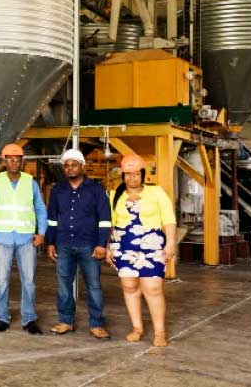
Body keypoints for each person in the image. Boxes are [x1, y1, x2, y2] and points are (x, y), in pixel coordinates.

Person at [107, 153, 177, 347]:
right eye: (128, 174)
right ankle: (137, 328)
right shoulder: (114, 195)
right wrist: (107, 248)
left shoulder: (157, 192)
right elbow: (109, 224)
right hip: (123, 245)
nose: (132, 178)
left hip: (152, 244)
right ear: (122, 175)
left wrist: (170, 244)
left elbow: (169, 220)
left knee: (153, 288)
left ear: (143, 174)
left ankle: (160, 332)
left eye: (136, 173)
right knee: (129, 286)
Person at [46, 148, 112, 340]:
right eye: (66, 165)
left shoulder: (96, 190)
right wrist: (51, 242)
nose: (70, 168)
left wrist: (101, 245)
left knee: (94, 286)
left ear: (82, 166)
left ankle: (97, 324)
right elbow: (52, 220)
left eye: (74, 164)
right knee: (63, 285)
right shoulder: (58, 190)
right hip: (64, 244)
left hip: (89, 246)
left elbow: (105, 220)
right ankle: (66, 321)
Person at [0, 143, 47, 335]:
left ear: (22, 161)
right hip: (2, 238)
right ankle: (1, 317)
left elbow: (40, 209)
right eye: (10, 158)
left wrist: (41, 232)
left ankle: (29, 319)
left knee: (28, 281)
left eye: (17, 158)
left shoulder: (31, 183)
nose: (14, 162)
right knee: (1, 280)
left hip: (26, 239)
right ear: (4, 161)